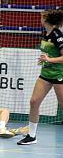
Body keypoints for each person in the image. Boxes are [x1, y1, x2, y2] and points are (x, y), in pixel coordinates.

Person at [17, 9, 63, 145]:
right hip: (45, 74)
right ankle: (31, 136)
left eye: (42, 17)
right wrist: (44, 60)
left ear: (47, 19)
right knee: (34, 102)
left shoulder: (58, 35)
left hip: (59, 74)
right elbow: (48, 54)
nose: (40, 19)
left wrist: (49, 59)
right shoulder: (45, 33)